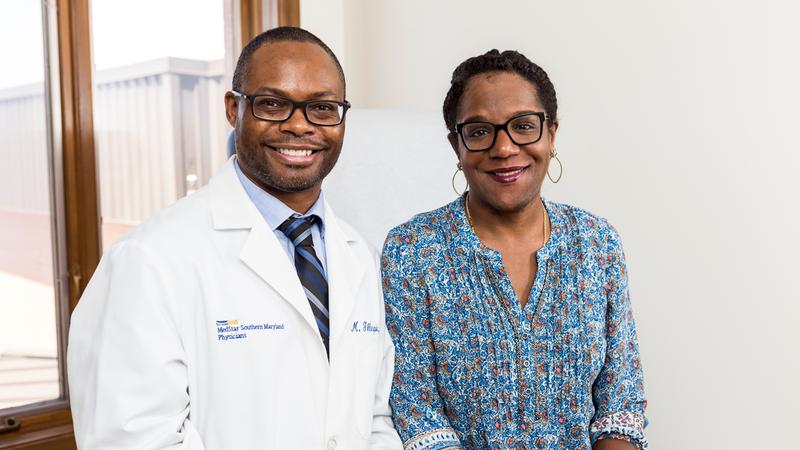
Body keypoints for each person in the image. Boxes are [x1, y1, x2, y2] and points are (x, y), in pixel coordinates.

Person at [68, 27, 402, 450]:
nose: (300, 125)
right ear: (234, 109)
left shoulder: (361, 258)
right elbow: (130, 439)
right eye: (273, 104)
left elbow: (374, 416)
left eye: (322, 108)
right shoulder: (148, 260)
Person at [382, 50, 648, 450]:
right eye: (479, 131)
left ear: (551, 133)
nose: (504, 148)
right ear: (457, 145)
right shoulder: (412, 250)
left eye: (524, 126)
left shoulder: (597, 242)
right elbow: (419, 418)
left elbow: (619, 408)